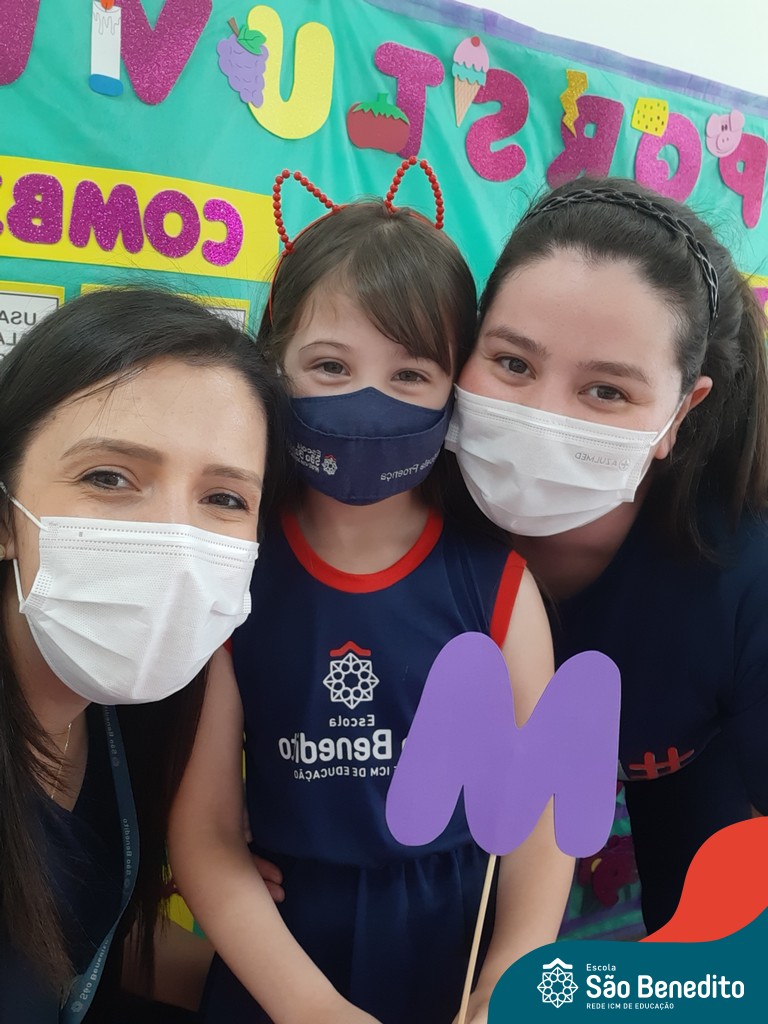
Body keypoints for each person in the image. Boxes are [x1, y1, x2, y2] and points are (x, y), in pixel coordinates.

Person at [168, 163, 574, 1024]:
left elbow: (539, 813)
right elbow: (204, 833)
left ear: (456, 388)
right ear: (272, 365)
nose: (368, 401)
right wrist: (308, 1006)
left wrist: (511, 973)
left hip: (452, 949)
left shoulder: (497, 586)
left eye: (410, 374)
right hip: (282, 956)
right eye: (329, 364)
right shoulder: (233, 573)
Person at [445, 176, 768, 936]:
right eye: (513, 364)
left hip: (684, 818)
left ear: (680, 413)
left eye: (607, 392)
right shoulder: (396, 513)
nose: (541, 417)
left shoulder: (739, 576)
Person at [0, 287, 284, 1022]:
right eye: (109, 478)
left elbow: (71, 941)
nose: (174, 544)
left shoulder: (126, 713)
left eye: (225, 498)